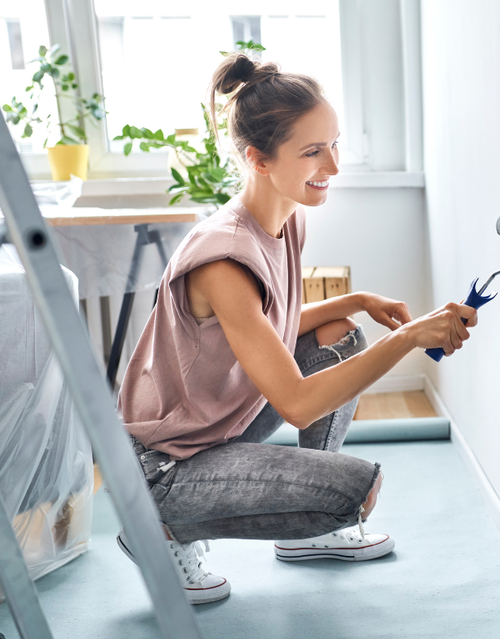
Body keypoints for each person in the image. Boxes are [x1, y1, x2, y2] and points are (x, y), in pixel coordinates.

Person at [116, 53, 478, 604]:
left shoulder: (286, 218)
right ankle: (162, 530)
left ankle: (310, 541)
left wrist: (354, 301)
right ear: (258, 160)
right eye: (312, 152)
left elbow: (270, 331)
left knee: (338, 330)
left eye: (333, 143)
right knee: (352, 491)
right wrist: (407, 337)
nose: (332, 165)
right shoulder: (224, 259)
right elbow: (298, 404)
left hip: (215, 422)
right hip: (166, 465)